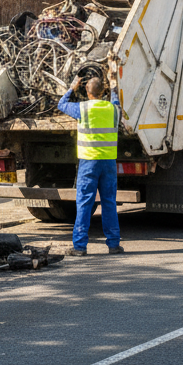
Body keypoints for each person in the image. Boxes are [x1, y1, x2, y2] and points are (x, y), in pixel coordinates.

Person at [56, 75, 123, 256]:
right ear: (103, 92)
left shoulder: (82, 109)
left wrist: (72, 88)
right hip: (108, 162)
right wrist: (114, 88)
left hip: (89, 163)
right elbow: (117, 103)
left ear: (87, 91)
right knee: (109, 202)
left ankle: (79, 247)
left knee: (85, 203)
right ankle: (114, 245)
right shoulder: (113, 110)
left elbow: (61, 105)